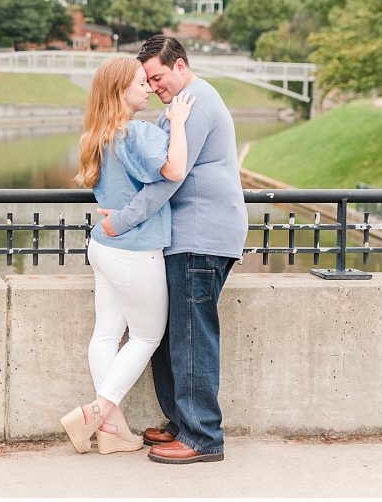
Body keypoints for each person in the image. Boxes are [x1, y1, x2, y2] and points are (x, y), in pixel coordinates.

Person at [97, 35, 248, 465]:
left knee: (192, 337)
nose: (155, 86)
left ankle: (203, 436)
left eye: (158, 77)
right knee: (173, 334)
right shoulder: (180, 106)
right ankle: (182, 422)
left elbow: (168, 179)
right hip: (184, 236)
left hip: (200, 236)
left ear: (180, 66)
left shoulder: (196, 103)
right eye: (147, 79)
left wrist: (120, 221)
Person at [60, 56, 195, 455]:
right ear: (120, 90)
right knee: (146, 336)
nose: (149, 88)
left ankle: (112, 430)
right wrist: (181, 123)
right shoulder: (136, 132)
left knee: (105, 333)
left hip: (103, 247)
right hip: (136, 251)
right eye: (140, 83)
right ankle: (95, 413)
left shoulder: (97, 135)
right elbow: (175, 170)